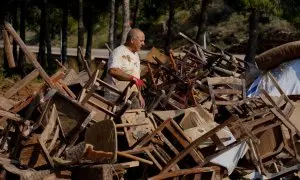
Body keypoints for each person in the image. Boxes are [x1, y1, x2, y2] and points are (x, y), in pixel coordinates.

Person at [105, 28, 146, 109]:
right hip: (116, 98)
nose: (143, 44)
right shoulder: (119, 52)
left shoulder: (136, 55)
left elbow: (136, 78)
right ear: (132, 40)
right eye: (141, 41)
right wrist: (132, 78)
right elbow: (113, 71)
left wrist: (139, 95)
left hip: (130, 97)